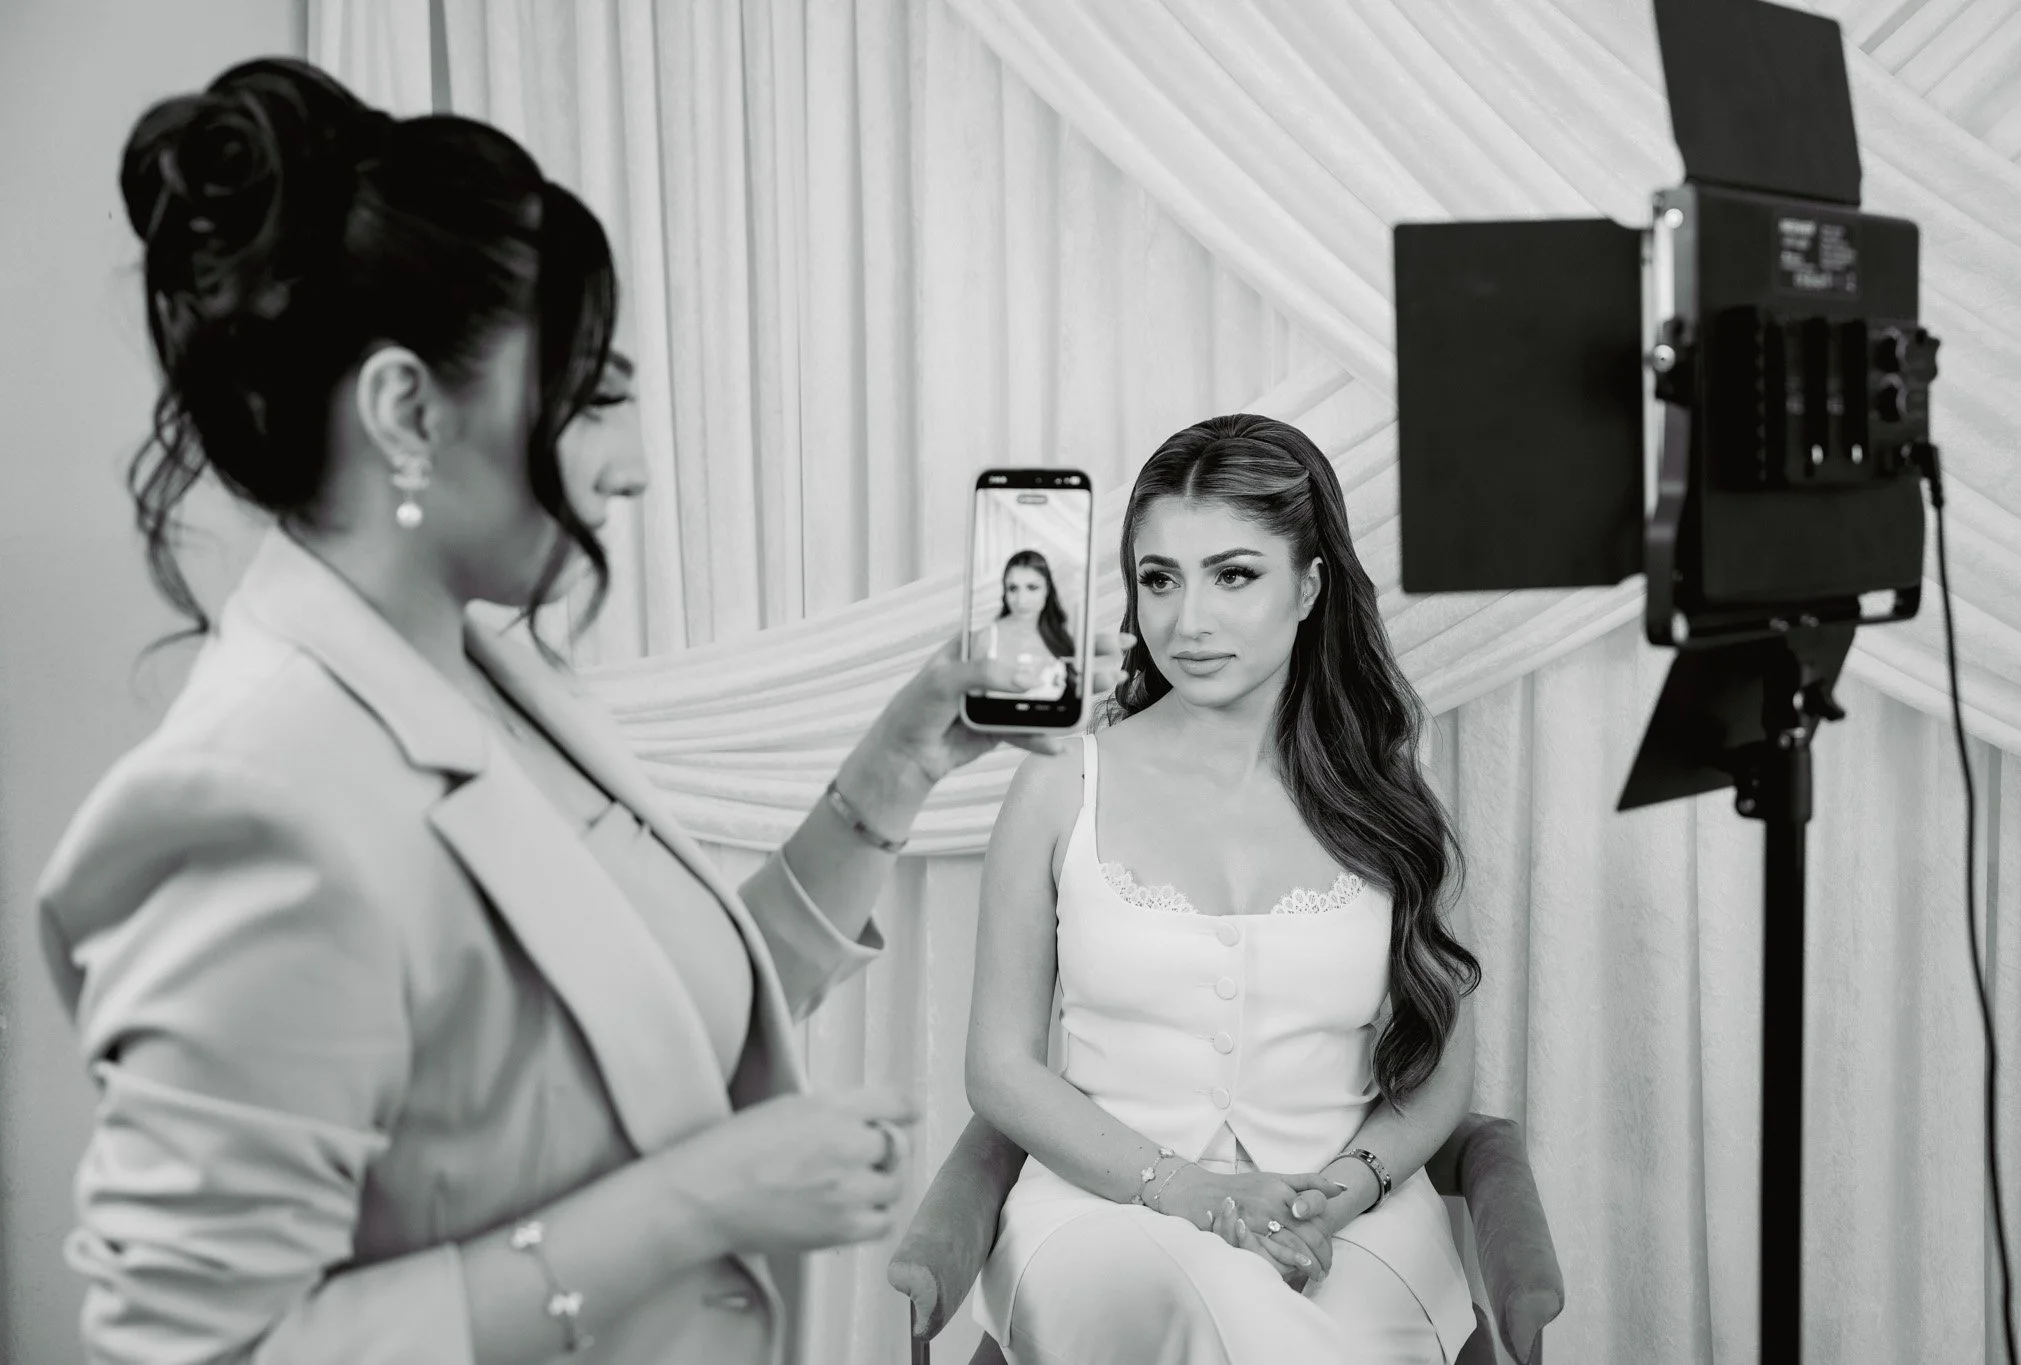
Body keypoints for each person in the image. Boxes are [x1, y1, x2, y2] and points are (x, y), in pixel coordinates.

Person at [35, 59, 1123, 1365]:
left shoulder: (486, 668)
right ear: (405, 409)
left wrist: (893, 770)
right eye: (595, 394)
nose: (639, 462)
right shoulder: (244, 804)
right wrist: (696, 1203)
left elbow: (642, 1033)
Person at [963, 415, 1483, 1364]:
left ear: (1309, 588)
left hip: (1348, 1218)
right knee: (1180, 1324)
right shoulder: (1056, 789)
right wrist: (1186, 1190)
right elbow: (999, 1065)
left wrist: (1347, 1186)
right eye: (1159, 577)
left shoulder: (1388, 796)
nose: (1185, 620)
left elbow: (1444, 1056)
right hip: (1100, 1207)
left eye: (1233, 574)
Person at [972, 548, 1078, 702]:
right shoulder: (986, 639)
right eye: (1013, 588)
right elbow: (974, 708)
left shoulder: (1063, 638)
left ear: (1047, 589)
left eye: (1032, 587)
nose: (1021, 600)